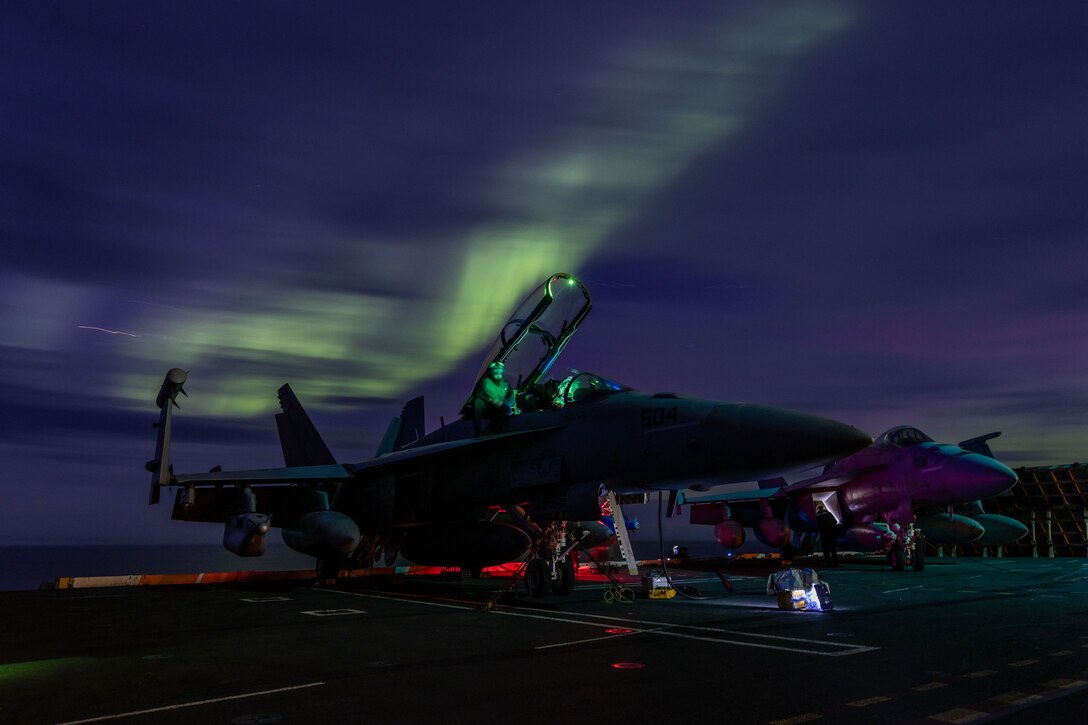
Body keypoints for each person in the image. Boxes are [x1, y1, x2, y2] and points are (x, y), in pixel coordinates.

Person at [468, 361, 514, 435]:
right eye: (496, 370)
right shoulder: (485, 382)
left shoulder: (506, 385)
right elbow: (478, 393)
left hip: (498, 409)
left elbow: (511, 399)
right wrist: (491, 400)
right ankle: (477, 430)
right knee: (477, 402)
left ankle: (491, 430)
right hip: (487, 408)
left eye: (500, 370)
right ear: (492, 371)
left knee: (505, 409)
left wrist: (502, 403)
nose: (498, 372)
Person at [815, 503, 839, 567]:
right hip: (831, 533)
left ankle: (828, 563)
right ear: (823, 508)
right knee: (833, 549)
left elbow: (816, 526)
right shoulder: (828, 513)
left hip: (823, 534)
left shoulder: (817, 516)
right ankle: (835, 563)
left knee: (826, 549)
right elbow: (835, 522)